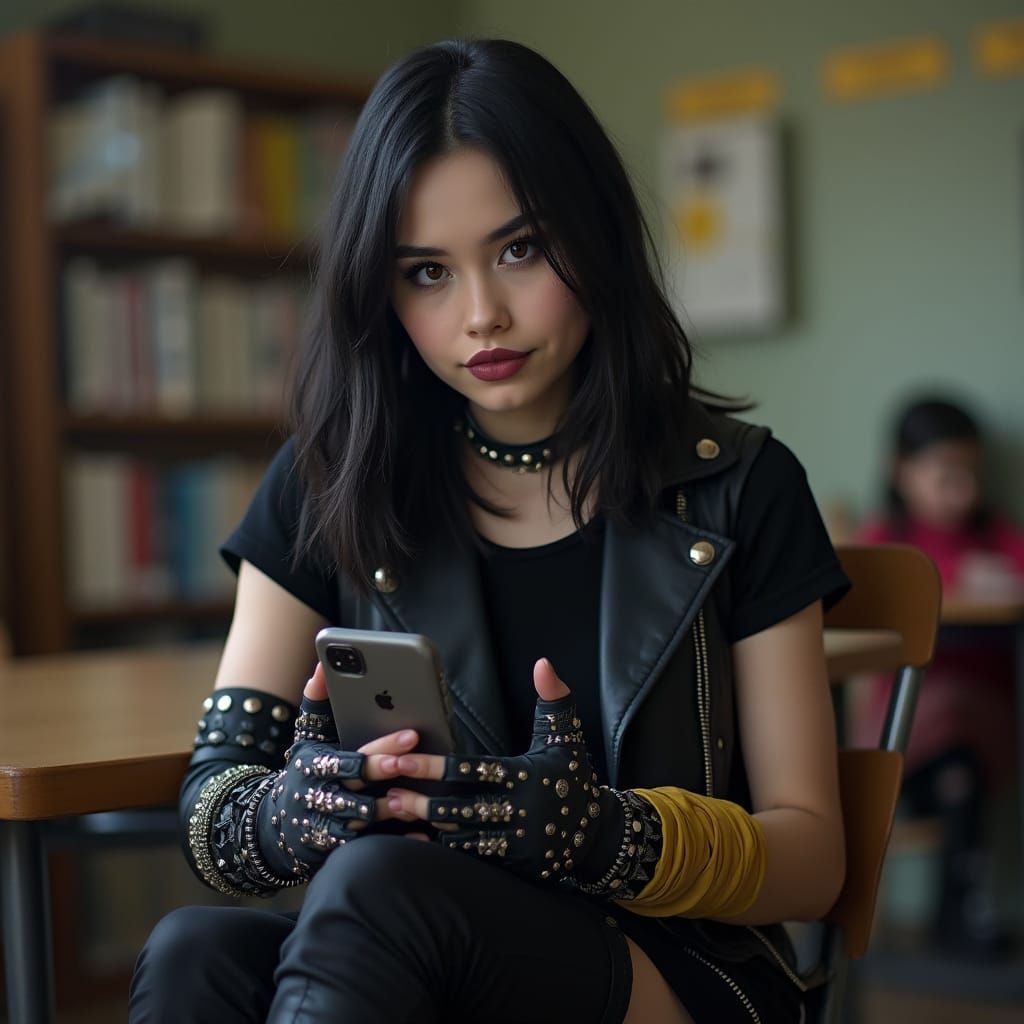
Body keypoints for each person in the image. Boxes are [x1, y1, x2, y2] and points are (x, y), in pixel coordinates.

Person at [129, 38, 851, 1023]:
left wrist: (606, 836)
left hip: (676, 971)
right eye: (425, 271)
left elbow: (810, 857)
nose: (481, 314)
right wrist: (295, 810)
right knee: (193, 951)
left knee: (381, 894)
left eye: (520, 249)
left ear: (593, 233)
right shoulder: (326, 485)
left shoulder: (741, 487)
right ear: (377, 293)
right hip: (417, 950)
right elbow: (216, 808)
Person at [856, 396, 1024, 956]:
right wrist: (962, 579)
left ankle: (958, 913)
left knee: (964, 768)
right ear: (900, 472)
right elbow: (874, 592)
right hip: (908, 735)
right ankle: (958, 915)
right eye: (945, 473)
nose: (962, 489)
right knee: (953, 748)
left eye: (971, 474)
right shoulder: (887, 539)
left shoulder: (995, 536)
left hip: (984, 733)